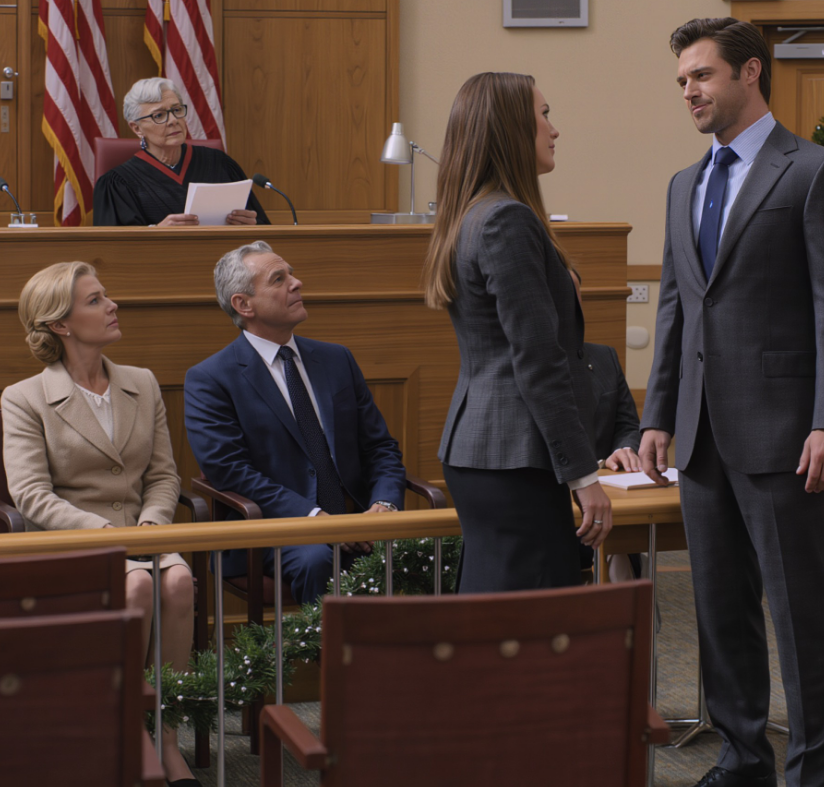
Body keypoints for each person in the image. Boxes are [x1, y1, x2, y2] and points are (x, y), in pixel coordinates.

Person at [639, 18, 824, 787]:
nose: (689, 91)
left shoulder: (815, 171)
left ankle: (811, 772)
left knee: (798, 613)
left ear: (749, 72)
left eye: (701, 75)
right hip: (700, 437)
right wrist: (657, 415)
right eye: (681, 80)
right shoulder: (682, 184)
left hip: (786, 435)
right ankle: (742, 759)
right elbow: (676, 310)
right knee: (719, 608)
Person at [0, 262, 198, 786]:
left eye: (106, 295)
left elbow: (163, 475)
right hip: (72, 543)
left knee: (178, 580)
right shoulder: (23, 398)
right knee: (136, 584)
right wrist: (107, 534)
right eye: (95, 300)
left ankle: (167, 738)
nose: (112, 306)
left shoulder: (142, 382)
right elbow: (30, 495)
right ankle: (125, 732)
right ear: (60, 324)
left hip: (144, 532)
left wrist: (151, 524)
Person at [424, 72, 612, 594]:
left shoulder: (475, 214)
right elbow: (538, 360)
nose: (555, 129)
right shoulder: (506, 219)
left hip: (489, 451)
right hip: (515, 456)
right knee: (530, 620)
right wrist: (584, 476)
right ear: (510, 129)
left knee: (499, 614)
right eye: (544, 115)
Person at [183, 240, 406, 605]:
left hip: (357, 517)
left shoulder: (337, 359)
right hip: (274, 528)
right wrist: (316, 518)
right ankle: (327, 646)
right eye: (279, 279)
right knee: (318, 559)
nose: (297, 283)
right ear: (244, 304)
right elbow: (231, 471)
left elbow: (380, 447)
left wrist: (385, 505)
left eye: (292, 274)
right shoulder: (211, 378)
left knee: (426, 546)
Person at [93, 77, 270, 227]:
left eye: (177, 110)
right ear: (137, 128)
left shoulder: (219, 164)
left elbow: (262, 229)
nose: (173, 120)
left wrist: (252, 225)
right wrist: (156, 232)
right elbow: (111, 247)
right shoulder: (118, 184)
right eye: (159, 115)